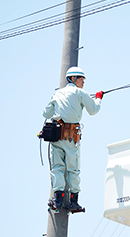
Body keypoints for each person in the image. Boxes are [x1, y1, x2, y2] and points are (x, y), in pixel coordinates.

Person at [42, 66, 103, 213]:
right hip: (71, 137)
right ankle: (73, 202)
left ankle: (58, 200)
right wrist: (99, 98)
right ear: (73, 78)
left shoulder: (57, 93)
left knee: (57, 168)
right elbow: (93, 110)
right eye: (81, 78)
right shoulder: (81, 93)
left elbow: (46, 113)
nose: (83, 82)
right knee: (73, 169)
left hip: (56, 136)